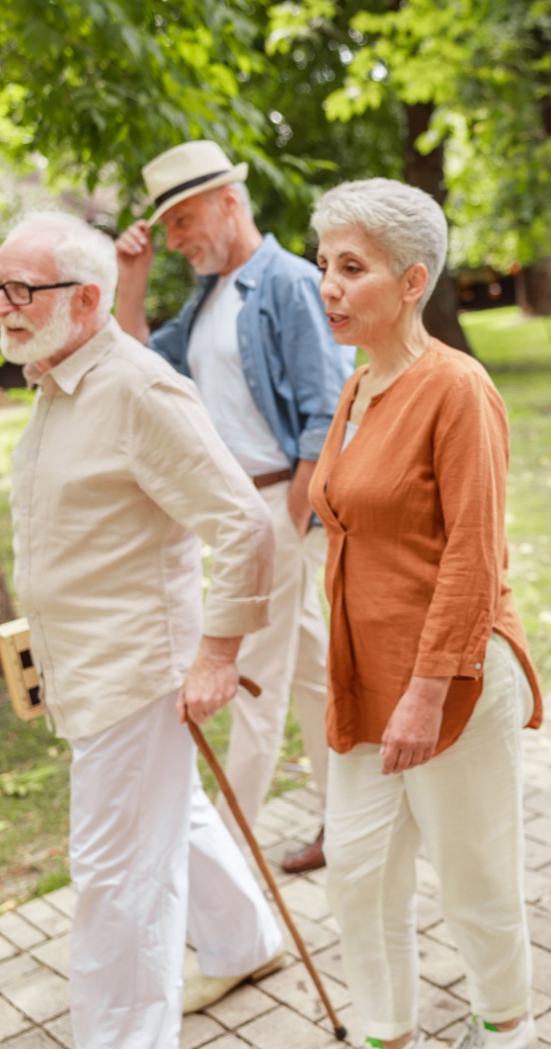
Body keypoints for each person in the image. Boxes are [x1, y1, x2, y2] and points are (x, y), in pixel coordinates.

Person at [0, 212, 284, 1047]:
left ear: (87, 300)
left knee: (117, 876)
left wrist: (219, 654)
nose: (2, 307)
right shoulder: (58, 377)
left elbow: (243, 525)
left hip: (135, 673)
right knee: (176, 818)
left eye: (23, 290)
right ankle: (245, 942)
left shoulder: (140, 389)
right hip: (84, 661)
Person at [307, 179, 542, 1049]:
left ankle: (506, 1025)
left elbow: (475, 555)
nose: (329, 285)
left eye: (351, 268)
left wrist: (426, 689)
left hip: (453, 678)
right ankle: (385, 1033)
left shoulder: (458, 389)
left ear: (412, 282)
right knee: (358, 873)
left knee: (475, 876)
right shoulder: (357, 387)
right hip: (363, 676)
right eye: (325, 264)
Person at [114, 140, 353, 875]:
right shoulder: (210, 295)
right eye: (170, 228)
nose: (177, 239)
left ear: (229, 201)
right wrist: (132, 281)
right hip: (241, 513)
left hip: (276, 510)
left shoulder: (284, 283)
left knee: (249, 684)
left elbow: (326, 405)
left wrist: (289, 520)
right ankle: (344, 828)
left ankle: (221, 868)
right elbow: (139, 366)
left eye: (183, 221)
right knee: (313, 679)